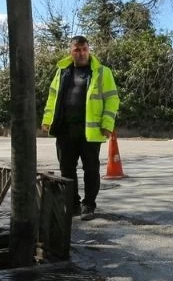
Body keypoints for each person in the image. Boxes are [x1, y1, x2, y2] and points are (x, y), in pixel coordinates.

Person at [41, 36, 120, 220]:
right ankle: (73, 204)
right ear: (71, 51)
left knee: (91, 169)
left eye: (84, 49)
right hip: (65, 130)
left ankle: (89, 204)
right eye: (77, 49)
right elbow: (52, 98)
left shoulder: (102, 72)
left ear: (89, 49)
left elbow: (112, 99)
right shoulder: (62, 72)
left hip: (90, 131)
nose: (81, 53)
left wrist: (107, 124)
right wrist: (47, 119)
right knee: (66, 169)